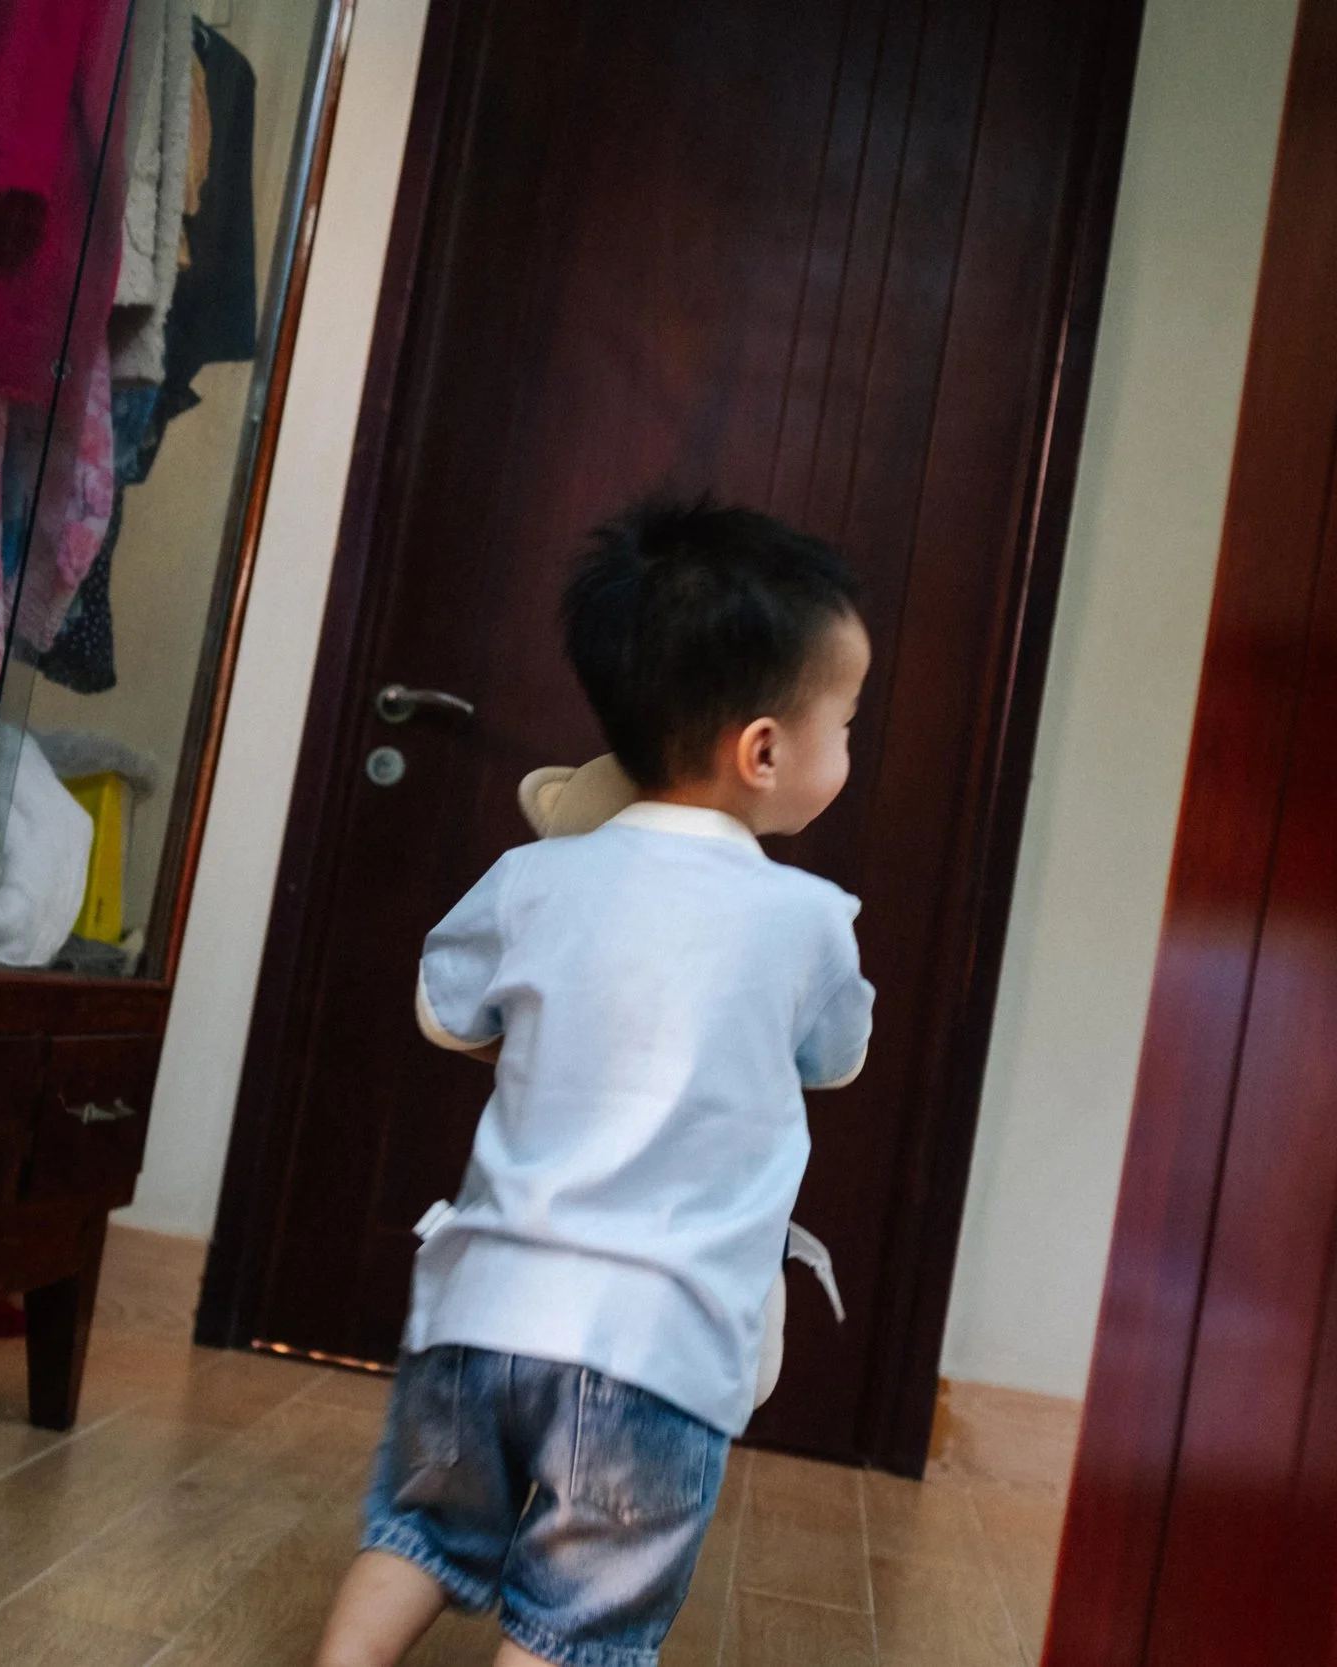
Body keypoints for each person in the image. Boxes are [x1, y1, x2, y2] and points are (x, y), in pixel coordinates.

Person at [315, 497, 878, 1667]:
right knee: (575, 1618)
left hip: (479, 1312)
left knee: (419, 1530)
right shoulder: (809, 921)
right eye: (846, 723)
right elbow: (835, 1057)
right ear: (765, 750)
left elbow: (442, 1008)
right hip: (654, 1346)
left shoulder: (535, 874)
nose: (848, 751)